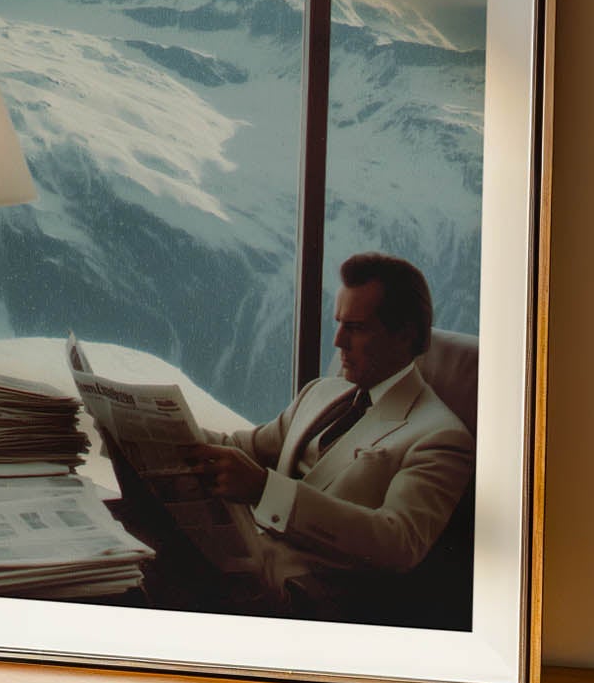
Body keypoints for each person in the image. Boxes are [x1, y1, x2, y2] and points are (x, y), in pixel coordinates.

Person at [189, 252, 473, 622]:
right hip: (242, 566)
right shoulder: (321, 393)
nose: (338, 341)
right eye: (339, 324)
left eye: (355, 328)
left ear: (405, 334)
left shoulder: (440, 436)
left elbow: (398, 542)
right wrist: (163, 429)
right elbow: (246, 448)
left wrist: (264, 490)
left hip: (308, 604)